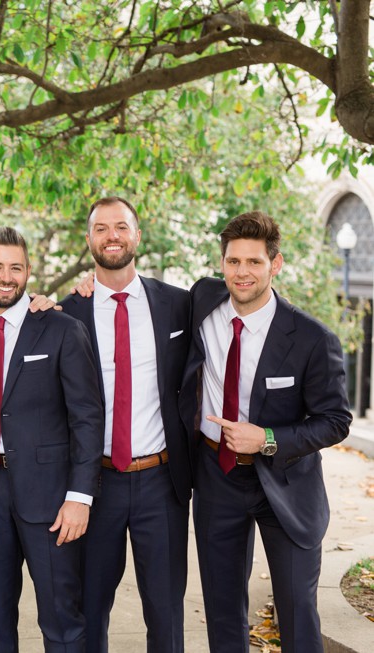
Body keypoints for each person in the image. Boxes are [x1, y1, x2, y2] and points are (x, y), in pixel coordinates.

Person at [179, 211, 351, 653]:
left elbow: (335, 421)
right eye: (233, 261)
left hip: (287, 484)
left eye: (254, 262)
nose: (242, 272)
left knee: (296, 609)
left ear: (275, 264)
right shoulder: (203, 301)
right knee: (222, 608)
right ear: (222, 264)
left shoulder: (314, 339)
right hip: (217, 476)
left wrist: (268, 438)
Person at [0, 226, 103, 652]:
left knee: (62, 619)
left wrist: (80, 496)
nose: (6, 277)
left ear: (28, 271)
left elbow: (87, 416)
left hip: (51, 496)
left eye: (16, 268)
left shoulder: (61, 328)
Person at [60, 197, 191, 653]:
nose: (111, 235)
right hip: (96, 484)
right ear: (90, 238)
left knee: (166, 610)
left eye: (121, 227)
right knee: (90, 607)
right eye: (101, 228)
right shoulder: (65, 313)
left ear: (137, 234)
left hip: (161, 480)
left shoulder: (177, 304)